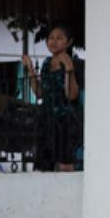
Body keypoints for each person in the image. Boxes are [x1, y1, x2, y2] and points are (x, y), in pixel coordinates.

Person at [21, 23, 84, 171]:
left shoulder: (75, 63)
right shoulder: (46, 63)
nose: (54, 41)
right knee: (44, 165)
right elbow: (40, 93)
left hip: (65, 122)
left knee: (64, 165)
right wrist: (30, 70)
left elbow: (72, 95)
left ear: (69, 42)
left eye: (59, 38)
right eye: (51, 38)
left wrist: (69, 69)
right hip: (47, 119)